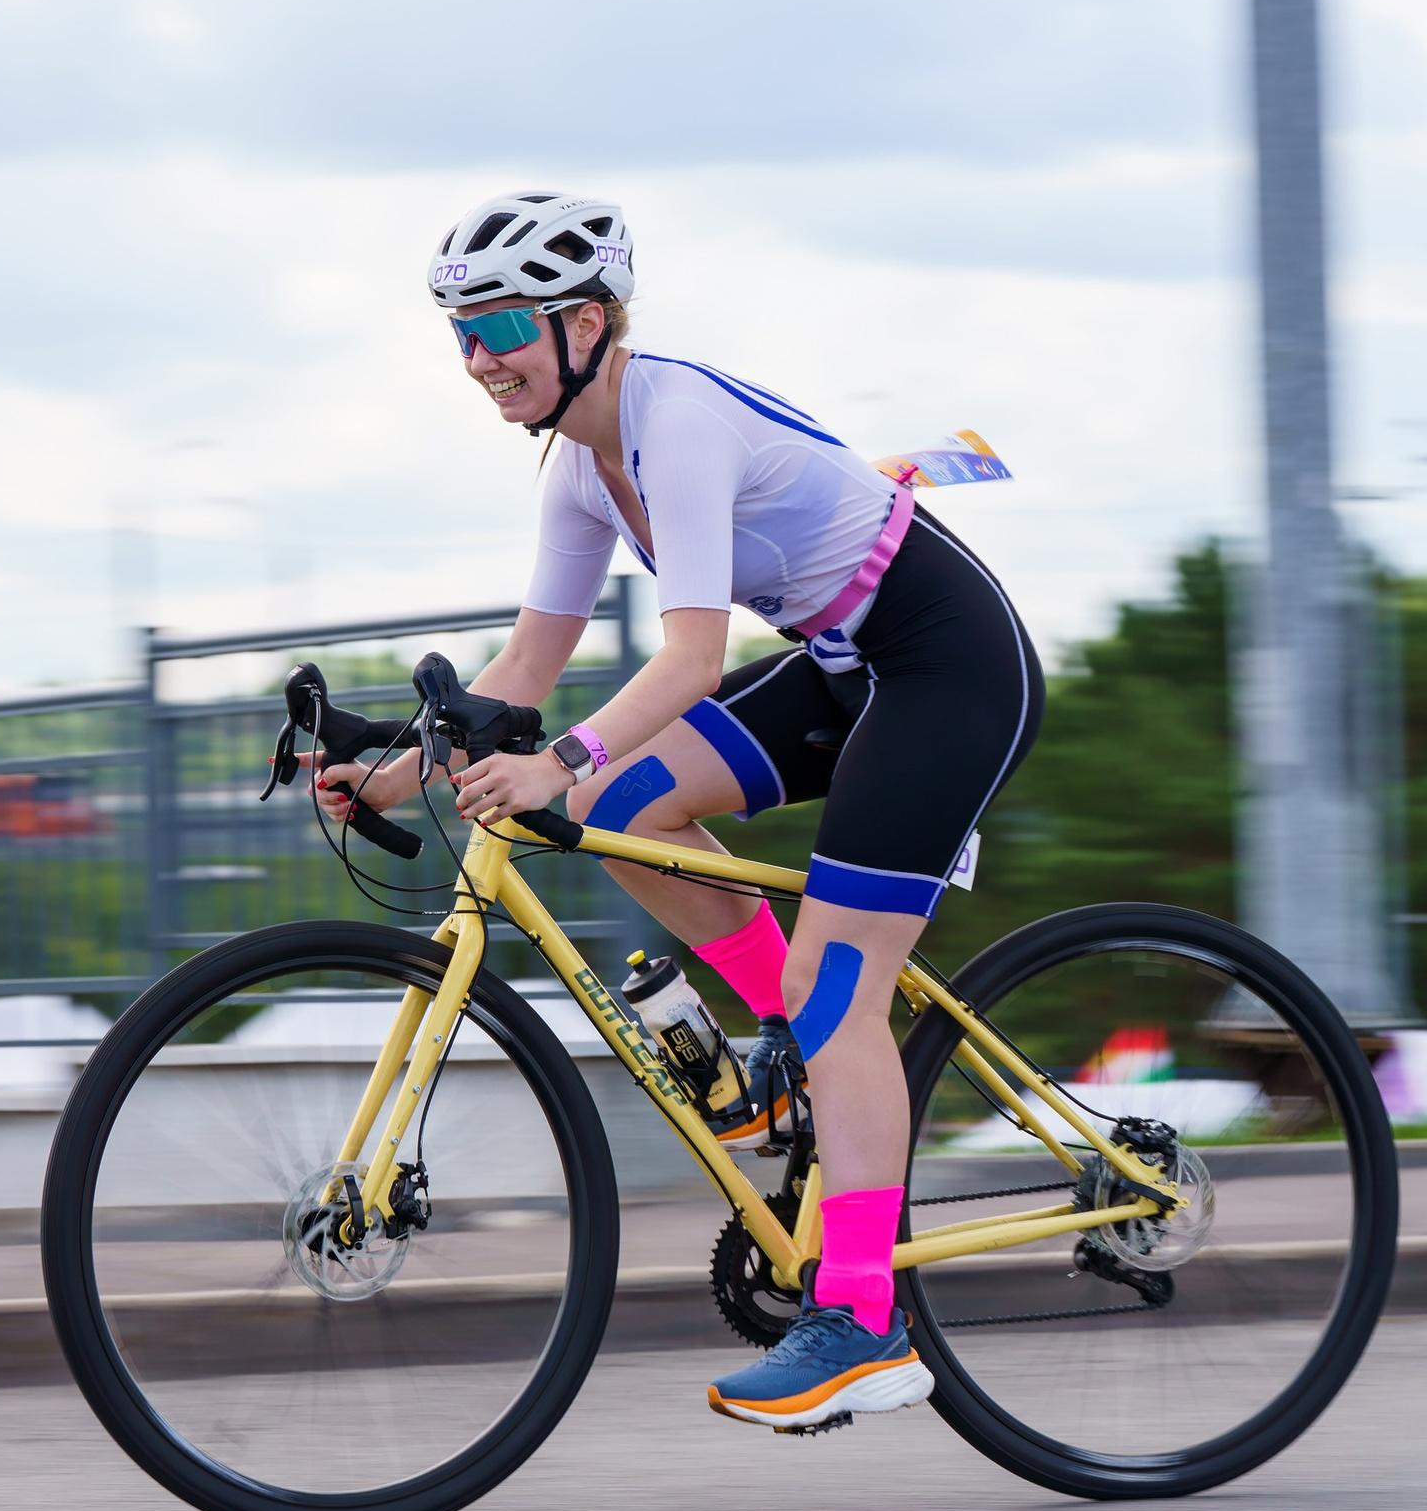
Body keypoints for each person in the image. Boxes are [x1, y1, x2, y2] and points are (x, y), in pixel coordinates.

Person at [318, 192, 1042, 1432]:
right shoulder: (578, 472)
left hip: (944, 665)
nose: (480, 360)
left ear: (588, 321)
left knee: (832, 983)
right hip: (839, 660)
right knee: (618, 809)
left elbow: (690, 663)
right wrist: (387, 771)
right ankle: (791, 1064)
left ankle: (865, 1320)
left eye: (498, 325)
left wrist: (558, 761)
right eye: (460, 336)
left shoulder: (678, 422)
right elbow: (524, 674)